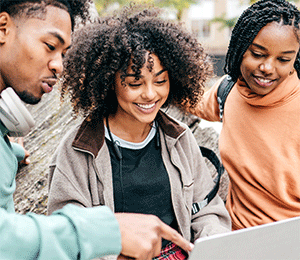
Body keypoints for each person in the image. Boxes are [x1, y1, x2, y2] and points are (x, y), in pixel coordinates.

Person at [0, 1, 193, 259]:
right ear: (3, 28)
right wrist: (108, 233)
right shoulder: (74, 152)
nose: (58, 66)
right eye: (50, 46)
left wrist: (7, 151)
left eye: (64, 54)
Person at [47, 5, 231, 260]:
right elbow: (66, 233)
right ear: (109, 81)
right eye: (135, 83)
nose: (150, 94)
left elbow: (207, 211)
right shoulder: (77, 151)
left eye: (160, 81)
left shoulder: (179, 138)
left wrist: (209, 246)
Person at [186, 0, 300, 230]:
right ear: (239, 48)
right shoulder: (228, 91)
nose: (268, 68)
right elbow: (191, 103)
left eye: (283, 59)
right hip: (236, 239)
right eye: (258, 54)